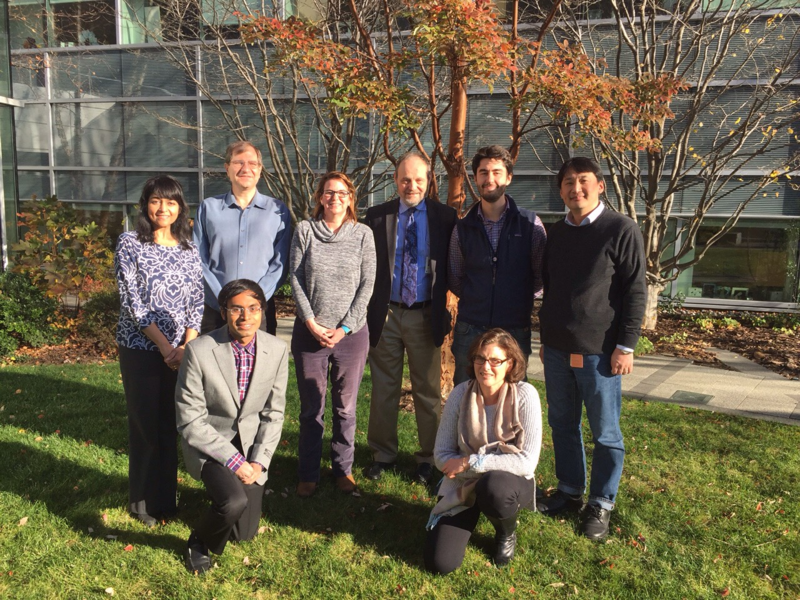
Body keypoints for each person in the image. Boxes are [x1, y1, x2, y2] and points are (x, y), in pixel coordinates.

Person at [538, 156, 646, 541]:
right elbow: (551, 287)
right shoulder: (557, 233)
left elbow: (636, 290)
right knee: (562, 424)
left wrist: (626, 346)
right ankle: (569, 491)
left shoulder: (621, 229)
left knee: (605, 432)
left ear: (600, 185)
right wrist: (546, 337)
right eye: (568, 182)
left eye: (583, 181)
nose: (575, 188)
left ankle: (601, 503)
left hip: (600, 353)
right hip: (555, 349)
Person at [176, 279, 288, 574]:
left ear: (262, 311)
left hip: (250, 443)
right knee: (233, 502)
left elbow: (273, 413)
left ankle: (226, 493)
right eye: (236, 309)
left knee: (244, 533)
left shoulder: (276, 350)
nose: (245, 317)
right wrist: (236, 463)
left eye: (253, 308)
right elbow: (190, 419)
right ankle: (198, 542)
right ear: (224, 311)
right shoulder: (199, 351)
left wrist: (259, 463)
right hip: (210, 442)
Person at [114, 175, 203, 527]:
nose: (163, 208)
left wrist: (187, 345)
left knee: (170, 424)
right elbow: (133, 303)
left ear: (180, 208)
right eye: (156, 201)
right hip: (141, 348)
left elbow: (197, 300)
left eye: (170, 202)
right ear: (145, 205)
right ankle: (143, 504)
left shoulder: (188, 249)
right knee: (146, 424)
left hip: (181, 351)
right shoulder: (130, 243)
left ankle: (166, 501)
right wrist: (166, 346)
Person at [364, 151, 457, 485]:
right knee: (383, 388)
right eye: (405, 179)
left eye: (419, 179)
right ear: (395, 180)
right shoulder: (377, 216)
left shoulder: (446, 217)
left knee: (427, 392)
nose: (412, 186)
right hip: (386, 313)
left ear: (430, 179)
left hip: (425, 313)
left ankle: (429, 458)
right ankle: (382, 454)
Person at [423, 329, 542, 574]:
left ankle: (505, 531)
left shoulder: (525, 395)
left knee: (493, 486)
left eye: (495, 360)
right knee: (440, 563)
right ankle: (468, 509)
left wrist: (470, 462)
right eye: (480, 358)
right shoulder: (460, 394)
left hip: (506, 482)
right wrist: (467, 471)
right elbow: (442, 455)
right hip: (462, 485)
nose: (486, 366)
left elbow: (527, 462)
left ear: (510, 364)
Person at [289, 172, 377, 497]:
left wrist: (343, 329)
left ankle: (343, 470)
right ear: (320, 198)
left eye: (341, 193)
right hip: (309, 332)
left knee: (345, 408)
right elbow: (295, 278)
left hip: (351, 335)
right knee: (312, 407)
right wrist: (310, 321)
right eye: (329, 192)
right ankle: (308, 473)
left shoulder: (363, 234)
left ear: (350, 198)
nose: (335, 198)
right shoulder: (305, 231)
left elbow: (368, 285)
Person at [448, 145, 547, 385]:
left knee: (513, 402)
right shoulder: (462, 227)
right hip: (470, 328)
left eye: (496, 172)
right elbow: (455, 276)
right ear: (475, 178)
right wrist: (479, 296)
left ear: (509, 178)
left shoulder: (530, 224)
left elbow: (541, 276)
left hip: (514, 329)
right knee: (466, 397)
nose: (489, 178)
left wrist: (515, 297)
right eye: (483, 172)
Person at [193, 140, 291, 336]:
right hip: (215, 310)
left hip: (259, 311)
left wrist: (255, 299)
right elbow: (197, 259)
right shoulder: (208, 208)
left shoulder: (278, 211)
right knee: (212, 366)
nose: (246, 168)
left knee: (259, 366)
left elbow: (281, 263)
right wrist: (223, 299)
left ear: (260, 169)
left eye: (252, 163)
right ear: (227, 168)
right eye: (238, 162)